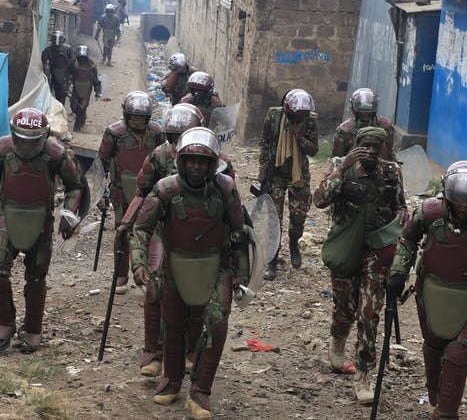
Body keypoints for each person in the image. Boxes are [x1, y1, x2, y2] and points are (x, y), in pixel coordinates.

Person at [129, 126, 249, 420]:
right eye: (191, 160)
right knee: (172, 323)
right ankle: (170, 380)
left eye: (203, 161)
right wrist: (139, 263)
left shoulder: (226, 189)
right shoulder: (165, 189)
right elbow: (142, 228)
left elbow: (239, 232)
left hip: (216, 267)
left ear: (212, 164)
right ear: (181, 161)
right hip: (175, 264)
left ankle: (201, 392)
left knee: (217, 324)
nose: (196, 166)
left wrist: (242, 275)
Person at [387, 161, 467, 419]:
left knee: (458, 352)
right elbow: (407, 240)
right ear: (447, 194)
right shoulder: (429, 213)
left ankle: (446, 414)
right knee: (433, 347)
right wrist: (398, 273)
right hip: (431, 291)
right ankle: (434, 400)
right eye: (459, 201)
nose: (465, 207)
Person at [0, 108, 84, 354]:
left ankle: (33, 329)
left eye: (32, 141)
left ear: (43, 137)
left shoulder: (55, 154)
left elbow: (75, 186)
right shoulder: (2, 151)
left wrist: (68, 216)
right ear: (14, 135)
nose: (26, 146)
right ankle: (5, 325)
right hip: (6, 219)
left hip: (41, 222)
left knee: (36, 278)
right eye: (21, 140)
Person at [312, 127, 405, 405]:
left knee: (369, 313)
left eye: (378, 146)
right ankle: (339, 337)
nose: (372, 151)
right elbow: (319, 200)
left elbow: (400, 204)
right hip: (345, 247)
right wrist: (343, 169)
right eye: (366, 145)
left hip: (375, 253)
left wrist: (402, 214)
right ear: (356, 145)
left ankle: (363, 373)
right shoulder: (342, 166)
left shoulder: (391, 172)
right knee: (345, 308)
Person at [97, 91, 163, 293]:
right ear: (126, 114)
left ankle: (148, 272)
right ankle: (120, 274)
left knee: (150, 232)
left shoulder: (157, 133)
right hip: (119, 189)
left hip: (150, 189)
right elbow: (101, 163)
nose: (138, 122)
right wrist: (99, 192)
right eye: (134, 117)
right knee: (121, 230)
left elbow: (162, 159)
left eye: (142, 118)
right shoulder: (114, 133)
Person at [257, 89, 319, 280]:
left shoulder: (310, 121)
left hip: (298, 174)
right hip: (276, 174)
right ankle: (272, 260)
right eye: (294, 117)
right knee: (274, 219)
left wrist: (299, 136)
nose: (297, 120)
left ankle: (293, 244)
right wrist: (263, 167)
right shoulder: (274, 116)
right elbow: (265, 142)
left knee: (298, 217)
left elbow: (314, 150)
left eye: (301, 117)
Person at [333, 87, 396, 161]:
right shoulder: (345, 130)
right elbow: (336, 158)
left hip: (380, 166)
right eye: (362, 108)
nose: (365, 112)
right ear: (353, 107)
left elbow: (390, 151)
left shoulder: (385, 126)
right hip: (352, 167)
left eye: (369, 109)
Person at [67, 45, 101, 132]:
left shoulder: (92, 65)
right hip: (76, 88)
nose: (81, 59)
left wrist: (97, 91)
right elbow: (67, 74)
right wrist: (65, 85)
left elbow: (96, 79)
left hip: (87, 88)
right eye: (80, 57)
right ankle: (82, 117)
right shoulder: (73, 62)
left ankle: (77, 128)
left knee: (82, 107)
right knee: (74, 107)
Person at [41, 30, 73, 104]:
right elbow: (44, 62)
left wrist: (70, 73)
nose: (57, 41)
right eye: (55, 39)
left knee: (62, 92)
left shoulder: (67, 49)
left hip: (65, 73)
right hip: (53, 73)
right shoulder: (48, 50)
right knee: (56, 91)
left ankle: (61, 106)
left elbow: (71, 61)